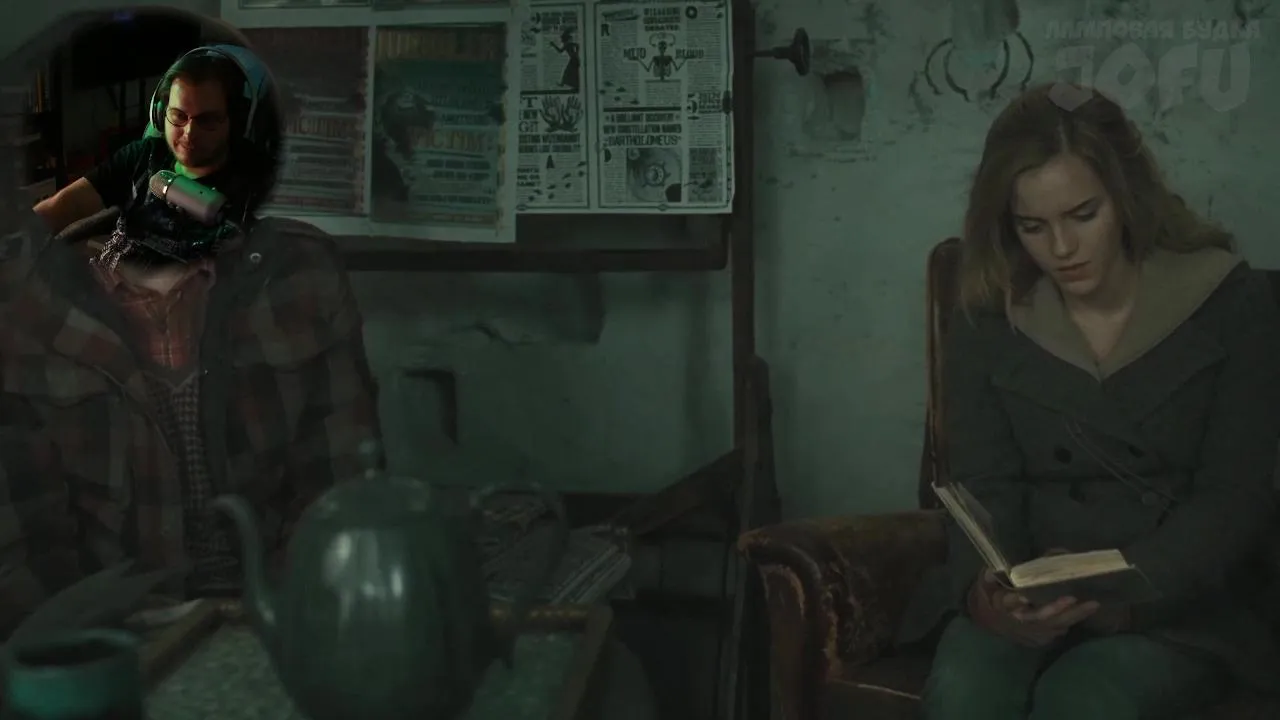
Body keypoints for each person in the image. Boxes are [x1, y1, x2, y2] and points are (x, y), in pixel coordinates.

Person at [894, 82, 1280, 719]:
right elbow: (983, 483)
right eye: (1033, 226)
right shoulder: (989, 312)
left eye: (1083, 215)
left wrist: (1122, 592)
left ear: (1127, 195)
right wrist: (989, 591)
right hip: (1032, 589)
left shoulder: (1227, 302)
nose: (1062, 249)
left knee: (1084, 697)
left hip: (1175, 600)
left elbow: (1233, 499)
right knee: (966, 691)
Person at [0, 43, 380, 636]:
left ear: (237, 124)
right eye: (177, 117)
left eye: (207, 122)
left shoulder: (288, 261)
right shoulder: (50, 295)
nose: (188, 134)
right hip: (109, 631)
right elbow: (52, 214)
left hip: (272, 614)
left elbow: (343, 488)